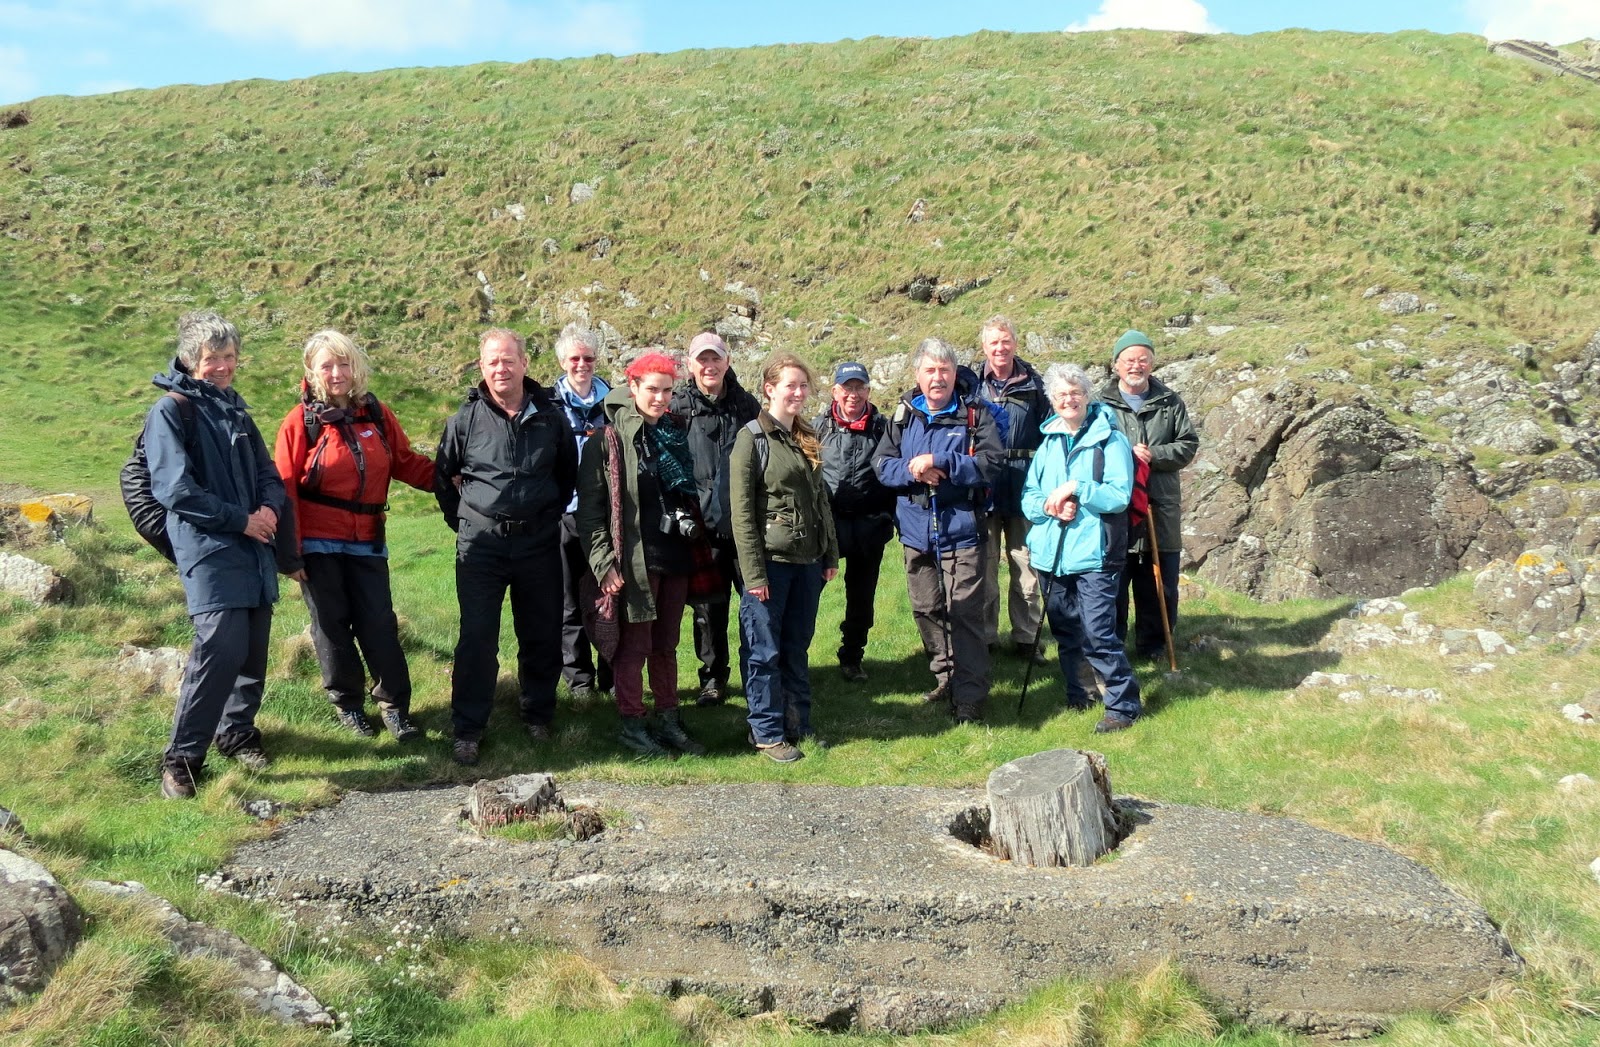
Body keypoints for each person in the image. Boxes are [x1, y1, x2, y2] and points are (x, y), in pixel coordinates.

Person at [144, 311, 286, 798]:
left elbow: (269, 474)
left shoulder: (237, 412)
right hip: (208, 548)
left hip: (253, 547)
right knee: (219, 646)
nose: (222, 366)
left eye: (229, 357)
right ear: (190, 360)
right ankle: (182, 759)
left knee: (251, 648)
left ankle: (238, 733)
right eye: (212, 358)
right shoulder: (171, 410)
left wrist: (268, 508)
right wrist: (241, 519)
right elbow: (174, 489)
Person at [273, 330, 435, 743]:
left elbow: (405, 462)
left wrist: (452, 478)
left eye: (343, 363)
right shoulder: (300, 422)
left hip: (368, 539)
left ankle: (395, 708)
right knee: (331, 626)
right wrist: (289, 554)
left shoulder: (376, 414)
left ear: (355, 367)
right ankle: (348, 706)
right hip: (316, 541)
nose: (337, 373)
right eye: (327, 365)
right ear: (312, 371)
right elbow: (284, 488)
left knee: (379, 623)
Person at [435, 329, 577, 766]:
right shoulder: (465, 419)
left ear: (524, 364)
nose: (501, 368)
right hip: (481, 547)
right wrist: (464, 523)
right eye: (493, 361)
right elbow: (444, 476)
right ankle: (468, 729)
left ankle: (537, 714)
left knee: (541, 632)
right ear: (482, 367)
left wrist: (543, 516)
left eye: (508, 360)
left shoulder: (551, 418)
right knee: (477, 638)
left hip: (538, 543)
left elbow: (566, 474)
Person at [577, 352, 708, 757]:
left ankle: (668, 719)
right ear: (632, 387)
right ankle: (631, 724)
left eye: (667, 390)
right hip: (635, 560)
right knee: (635, 647)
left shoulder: (673, 432)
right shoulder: (606, 440)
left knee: (666, 645)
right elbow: (591, 512)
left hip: (675, 556)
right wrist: (604, 564)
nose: (660, 398)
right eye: (652, 389)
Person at [872, 338, 1003, 722]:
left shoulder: (976, 415)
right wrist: (913, 468)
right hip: (915, 531)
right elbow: (882, 465)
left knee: (964, 613)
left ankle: (970, 696)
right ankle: (946, 675)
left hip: (962, 528)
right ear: (917, 375)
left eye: (944, 370)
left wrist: (942, 461)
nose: (937, 377)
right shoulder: (903, 416)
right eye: (930, 370)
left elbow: (991, 464)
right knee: (926, 608)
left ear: (954, 373)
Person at [731, 352, 839, 762]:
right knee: (763, 650)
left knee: (797, 646)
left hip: (807, 562)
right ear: (769, 389)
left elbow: (819, 501)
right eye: (789, 385)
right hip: (770, 565)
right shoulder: (752, 439)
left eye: (802, 385)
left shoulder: (805, 435)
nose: (797, 392)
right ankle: (766, 732)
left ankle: (799, 722)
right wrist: (753, 574)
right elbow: (742, 514)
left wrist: (828, 551)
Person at [1022, 363, 1142, 732]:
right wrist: (1048, 506)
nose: (1068, 399)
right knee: (1066, 631)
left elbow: (1120, 496)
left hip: (1094, 553)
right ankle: (1080, 694)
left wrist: (1078, 489)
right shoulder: (1049, 442)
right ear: (1052, 401)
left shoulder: (1111, 439)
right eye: (1061, 395)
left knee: (1099, 632)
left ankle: (1123, 706)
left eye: (1075, 392)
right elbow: (1028, 497)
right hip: (1051, 555)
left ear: (1087, 396)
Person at [670, 331, 760, 705]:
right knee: (708, 609)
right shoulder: (676, 408)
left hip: (744, 525)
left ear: (727, 361)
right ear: (690, 365)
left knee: (756, 604)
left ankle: (758, 675)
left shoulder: (747, 405)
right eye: (702, 359)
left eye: (716, 358)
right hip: (701, 528)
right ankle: (712, 679)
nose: (710, 366)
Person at [1098, 330, 1199, 661]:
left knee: (1160, 586)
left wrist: (1154, 454)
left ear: (1152, 363)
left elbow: (1187, 445)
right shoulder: (1101, 405)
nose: (1136, 365)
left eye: (1143, 359)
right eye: (1129, 359)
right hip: (1117, 508)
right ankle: (1113, 648)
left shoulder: (1170, 402)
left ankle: (1154, 648)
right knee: (1113, 584)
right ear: (1116, 365)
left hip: (1160, 505)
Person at [972, 315, 1050, 664]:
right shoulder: (972, 384)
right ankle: (985, 638)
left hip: (1024, 482)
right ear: (984, 347)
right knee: (984, 567)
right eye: (993, 342)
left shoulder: (1035, 385)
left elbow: (1051, 431)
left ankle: (1026, 638)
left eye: (1006, 341)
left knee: (1026, 567)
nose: (1000, 348)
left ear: (1015, 344)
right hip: (985, 486)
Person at [815, 361, 895, 683]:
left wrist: (886, 516)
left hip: (869, 526)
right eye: (847, 387)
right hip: (829, 528)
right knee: (808, 592)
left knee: (862, 599)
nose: (853, 394)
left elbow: (894, 472)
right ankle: (796, 658)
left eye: (859, 387)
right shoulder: (816, 428)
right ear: (835, 391)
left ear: (869, 391)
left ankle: (852, 657)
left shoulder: (884, 429)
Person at [552, 322, 613, 700]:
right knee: (568, 602)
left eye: (588, 358)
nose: (581, 364)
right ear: (562, 361)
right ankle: (579, 682)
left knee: (609, 598)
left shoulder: (616, 401)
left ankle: (611, 676)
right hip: (563, 515)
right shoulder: (547, 403)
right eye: (574, 358)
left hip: (606, 516)